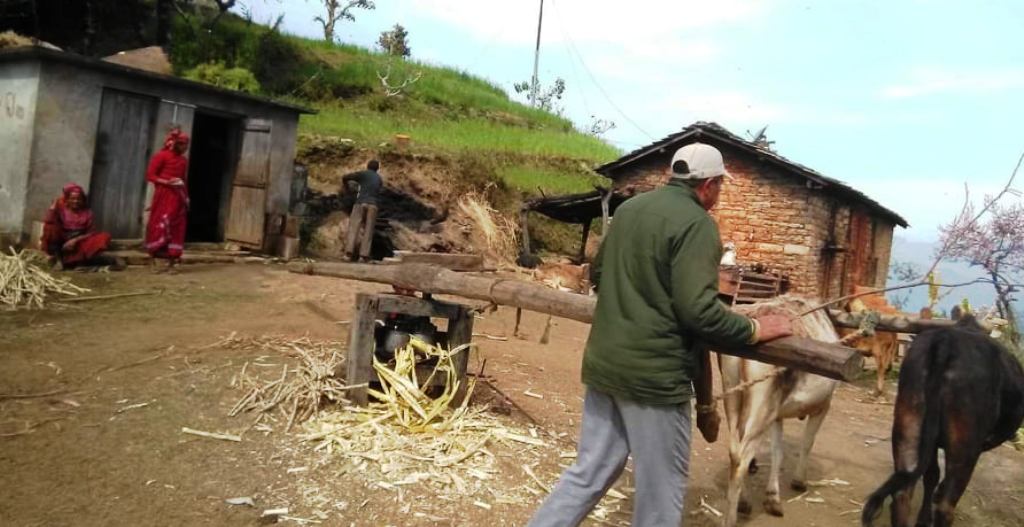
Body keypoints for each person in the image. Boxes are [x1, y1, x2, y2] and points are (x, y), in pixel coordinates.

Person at [527, 142, 793, 527]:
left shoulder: (631, 209)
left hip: (605, 365)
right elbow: (698, 312)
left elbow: (598, 275)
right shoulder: (699, 226)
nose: (719, 194)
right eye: (720, 186)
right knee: (660, 496)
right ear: (708, 186)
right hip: (654, 379)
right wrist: (754, 328)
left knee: (588, 474)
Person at [144, 128, 190, 273]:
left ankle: (172, 262)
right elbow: (150, 175)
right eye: (182, 144)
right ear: (175, 144)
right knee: (160, 225)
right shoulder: (161, 156)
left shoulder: (183, 161)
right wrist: (166, 182)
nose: (184, 148)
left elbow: (183, 180)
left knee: (176, 226)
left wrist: (186, 197)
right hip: (163, 195)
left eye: (186, 145)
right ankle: (156, 261)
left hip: (178, 196)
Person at [40, 183, 115, 270]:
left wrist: (75, 240)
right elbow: (49, 221)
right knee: (50, 228)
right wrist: (53, 206)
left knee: (104, 237)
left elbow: (91, 232)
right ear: (67, 199)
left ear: (82, 200)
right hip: (62, 241)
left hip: (78, 241)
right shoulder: (61, 210)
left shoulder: (87, 213)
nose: (76, 201)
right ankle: (57, 258)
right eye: (72, 199)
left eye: (78, 199)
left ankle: (73, 261)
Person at [341, 159, 383, 262]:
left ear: (367, 166)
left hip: (360, 202)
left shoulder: (363, 174)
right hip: (373, 205)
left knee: (354, 228)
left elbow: (346, 177)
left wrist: (346, 187)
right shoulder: (379, 179)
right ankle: (363, 256)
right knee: (368, 231)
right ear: (377, 169)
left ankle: (348, 254)